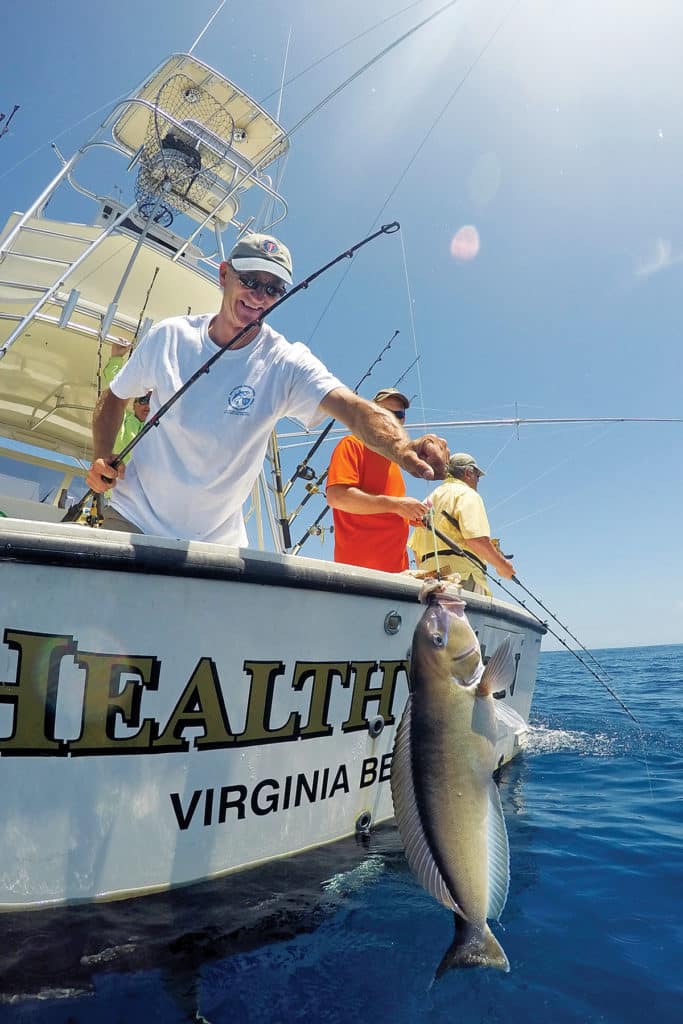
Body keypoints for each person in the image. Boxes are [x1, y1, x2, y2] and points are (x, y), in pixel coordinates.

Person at [85, 233, 449, 544]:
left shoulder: (286, 363)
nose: (259, 297)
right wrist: (102, 454)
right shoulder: (169, 337)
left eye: (273, 289)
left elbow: (351, 407)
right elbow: (116, 396)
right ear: (224, 275)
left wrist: (401, 447)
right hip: (134, 519)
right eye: (250, 281)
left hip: (217, 544)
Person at [326, 388, 428, 572]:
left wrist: (410, 514)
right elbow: (337, 497)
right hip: (359, 576)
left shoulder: (395, 463)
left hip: (397, 575)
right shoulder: (351, 444)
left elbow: (387, 508)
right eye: (386, 413)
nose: (393, 419)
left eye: (399, 414)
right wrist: (397, 505)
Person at [408, 452, 515, 595]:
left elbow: (415, 549)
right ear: (468, 472)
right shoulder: (467, 494)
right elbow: (476, 539)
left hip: (426, 582)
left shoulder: (429, 499)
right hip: (462, 579)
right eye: (477, 476)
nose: (478, 481)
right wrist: (502, 566)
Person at [101, 341, 151, 460]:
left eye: (152, 400)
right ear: (134, 405)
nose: (148, 405)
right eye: (144, 400)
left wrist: (116, 358)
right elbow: (116, 394)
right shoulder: (122, 419)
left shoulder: (165, 425)